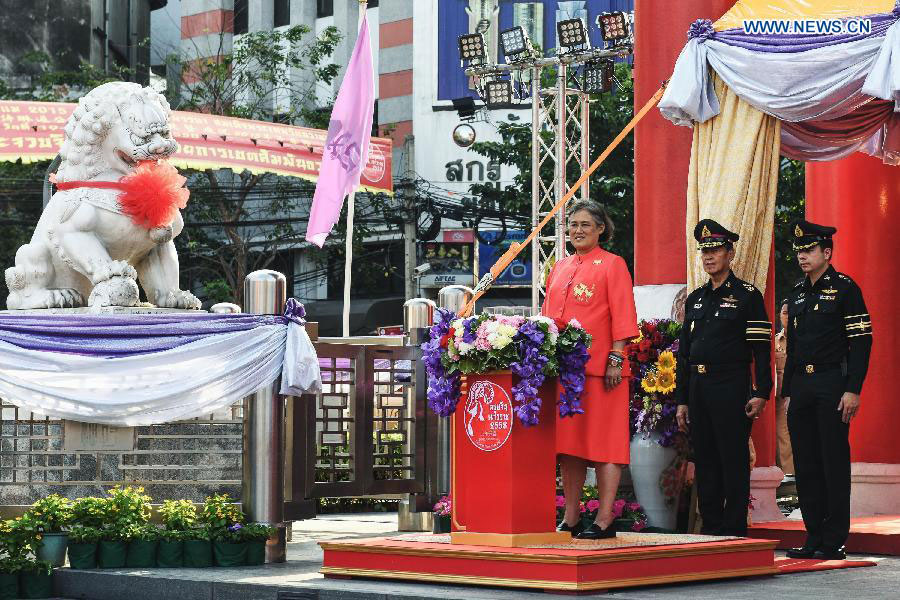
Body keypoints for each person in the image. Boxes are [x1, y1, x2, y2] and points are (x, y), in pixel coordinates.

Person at [542, 199, 638, 539]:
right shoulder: (560, 266)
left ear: (600, 229)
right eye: (573, 224)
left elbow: (623, 313)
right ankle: (571, 517)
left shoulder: (613, 264)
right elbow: (547, 318)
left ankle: (605, 518)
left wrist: (616, 357)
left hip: (602, 371)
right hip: (566, 373)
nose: (577, 230)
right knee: (569, 447)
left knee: (606, 446)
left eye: (585, 224)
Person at [675, 219, 772, 537]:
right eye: (704, 251)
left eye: (715, 250)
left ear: (730, 253)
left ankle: (734, 528)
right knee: (705, 458)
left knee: (732, 457)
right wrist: (682, 400)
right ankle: (712, 527)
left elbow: (761, 349)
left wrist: (761, 391)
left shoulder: (747, 296)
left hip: (730, 385)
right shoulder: (696, 298)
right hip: (698, 387)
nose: (709, 257)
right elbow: (684, 354)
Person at [783, 219, 872, 561]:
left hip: (832, 383)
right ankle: (813, 536)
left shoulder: (846, 289)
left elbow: (861, 343)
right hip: (802, 386)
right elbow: (793, 346)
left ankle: (834, 539)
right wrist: (788, 391)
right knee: (805, 463)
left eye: (809, 250)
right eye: (799, 251)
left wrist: (853, 389)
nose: (802, 256)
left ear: (827, 252)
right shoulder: (797, 293)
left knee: (832, 461)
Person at [774, 300, 795, 477]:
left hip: (802, 392)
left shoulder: (804, 339)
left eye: (790, 312)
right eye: (784, 313)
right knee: (783, 434)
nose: (787, 316)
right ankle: (788, 475)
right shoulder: (775, 342)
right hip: (781, 397)